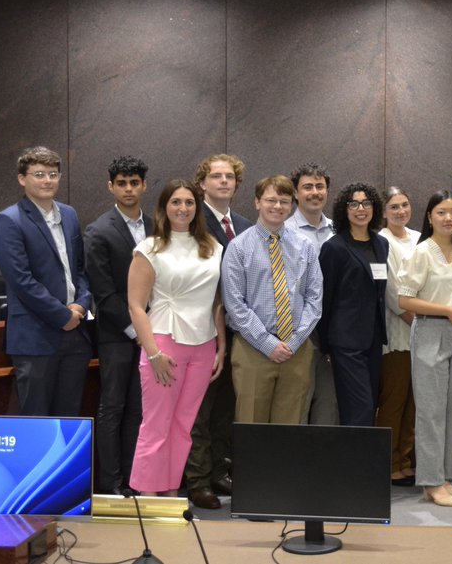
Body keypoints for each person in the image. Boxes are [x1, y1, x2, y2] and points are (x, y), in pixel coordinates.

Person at [127, 180, 225, 497]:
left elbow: (216, 303)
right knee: (157, 425)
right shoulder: (150, 248)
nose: (183, 208)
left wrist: (221, 348)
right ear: (165, 207)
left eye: (189, 203)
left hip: (203, 344)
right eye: (176, 202)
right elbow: (136, 306)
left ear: (197, 208)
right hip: (163, 343)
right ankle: (146, 495)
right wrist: (153, 354)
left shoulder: (212, 247)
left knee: (184, 427)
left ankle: (170, 493)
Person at [0, 146, 93, 418]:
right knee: (36, 419)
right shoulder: (8, 220)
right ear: (22, 179)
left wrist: (81, 306)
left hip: (76, 334)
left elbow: (80, 270)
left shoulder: (69, 215)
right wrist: (62, 315)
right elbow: (21, 281)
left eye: (53, 174)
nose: (47, 180)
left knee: (69, 418)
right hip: (35, 338)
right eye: (39, 174)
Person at [398, 191, 452, 507]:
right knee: (431, 410)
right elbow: (404, 300)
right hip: (431, 331)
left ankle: (444, 475)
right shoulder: (421, 253)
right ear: (430, 216)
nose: (448, 218)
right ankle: (430, 481)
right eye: (442, 212)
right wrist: (447, 311)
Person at [222, 175, 323, 424]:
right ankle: (252, 466)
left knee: (290, 426)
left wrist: (295, 340)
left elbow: (314, 298)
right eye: (271, 200)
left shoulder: (304, 247)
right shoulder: (238, 247)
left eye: (284, 201)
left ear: (292, 205)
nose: (277, 206)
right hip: (252, 349)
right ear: (257, 202)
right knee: (251, 424)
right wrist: (269, 344)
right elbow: (235, 304)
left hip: (296, 350)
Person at [185, 153, 252, 510]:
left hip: (238, 329)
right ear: (203, 183)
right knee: (201, 410)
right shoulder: (193, 221)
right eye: (216, 176)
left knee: (227, 408)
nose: (224, 181)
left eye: (229, 177)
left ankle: (217, 471)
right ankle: (196, 480)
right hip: (201, 328)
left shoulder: (243, 223)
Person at [84, 155, 153, 495]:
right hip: (116, 336)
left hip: (154, 335)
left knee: (140, 411)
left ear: (144, 186)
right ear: (111, 187)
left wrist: (150, 331)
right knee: (113, 407)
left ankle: (134, 480)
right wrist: (137, 330)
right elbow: (103, 292)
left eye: (134, 182)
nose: (129, 189)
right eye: (122, 183)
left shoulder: (158, 226)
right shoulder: (98, 230)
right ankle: (111, 486)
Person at [317, 183, 389, 426]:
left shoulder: (381, 244)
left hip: (373, 339)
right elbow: (325, 298)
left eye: (367, 203)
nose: (361, 208)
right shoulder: (334, 248)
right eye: (354, 204)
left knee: (370, 405)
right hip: (345, 342)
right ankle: (354, 463)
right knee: (359, 408)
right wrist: (326, 345)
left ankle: (359, 461)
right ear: (344, 210)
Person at [285, 162, 337, 426]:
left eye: (320, 186)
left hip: (334, 330)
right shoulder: (282, 232)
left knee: (329, 407)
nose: (314, 192)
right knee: (297, 403)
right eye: (307, 187)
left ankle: (323, 465)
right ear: (295, 193)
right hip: (298, 331)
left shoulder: (340, 231)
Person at [380, 186, 420, 486]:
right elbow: (391, 291)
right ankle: (389, 461)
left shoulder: (421, 239)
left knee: (414, 403)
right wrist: (415, 319)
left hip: (425, 333)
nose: (400, 211)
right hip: (397, 332)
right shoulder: (382, 241)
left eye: (404, 205)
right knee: (394, 401)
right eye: (393, 207)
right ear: (384, 212)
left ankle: (407, 459)